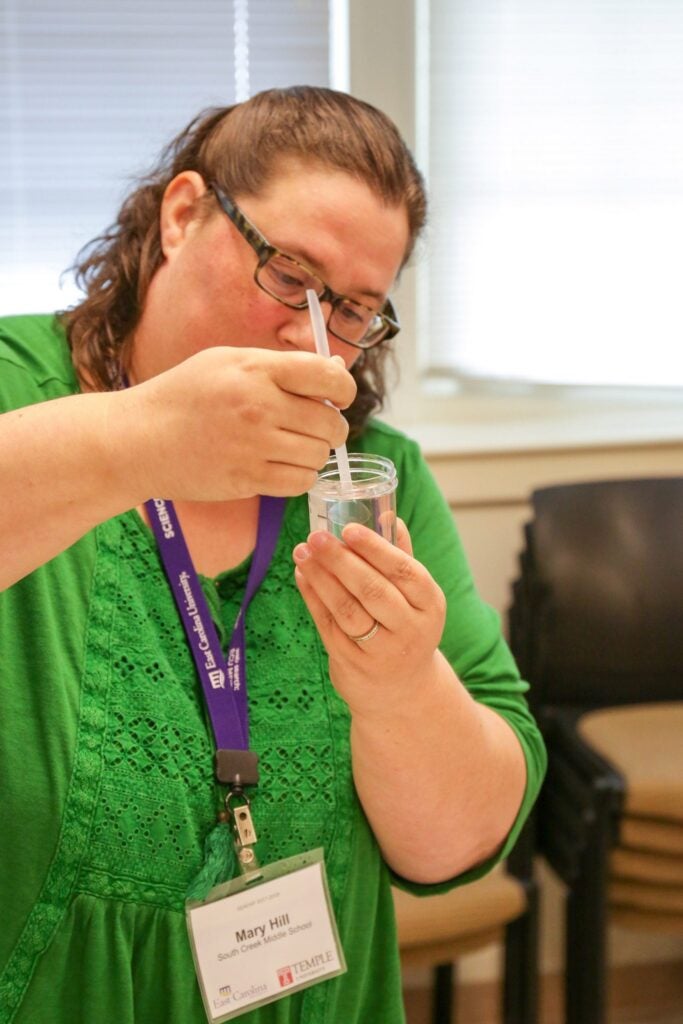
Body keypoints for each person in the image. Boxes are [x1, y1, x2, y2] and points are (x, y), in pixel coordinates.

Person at [0, 86, 545, 1023]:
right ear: (182, 216)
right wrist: (140, 440)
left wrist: (400, 687)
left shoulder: (376, 483)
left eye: (354, 310)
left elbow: (456, 844)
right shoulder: (21, 391)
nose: (312, 337)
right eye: (289, 276)